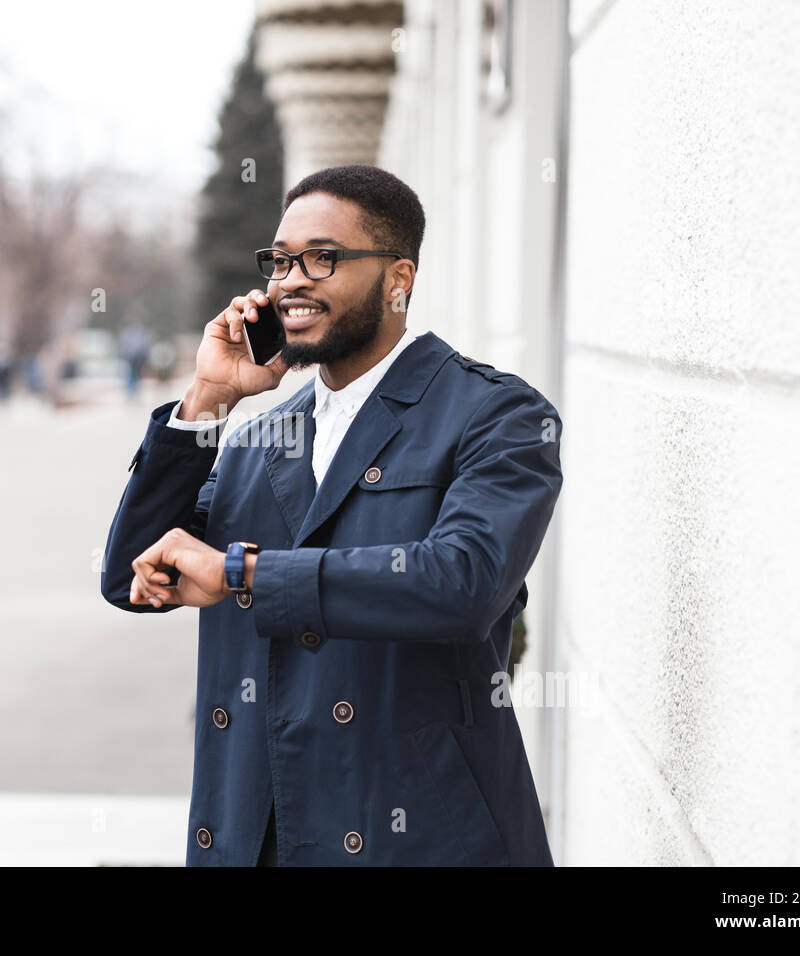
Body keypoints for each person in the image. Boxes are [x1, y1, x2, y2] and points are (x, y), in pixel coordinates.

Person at [100, 164, 563, 866]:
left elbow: (462, 582)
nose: (290, 281)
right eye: (281, 261)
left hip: (418, 834)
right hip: (261, 835)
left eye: (324, 258)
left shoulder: (496, 414)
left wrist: (243, 572)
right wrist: (207, 402)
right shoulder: (261, 438)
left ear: (399, 279)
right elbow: (132, 576)